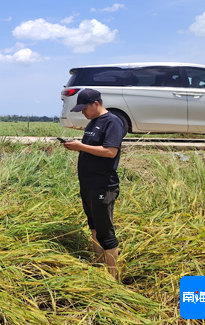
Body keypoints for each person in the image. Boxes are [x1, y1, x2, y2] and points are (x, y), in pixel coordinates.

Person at [62, 88, 124, 279]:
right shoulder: (93, 123)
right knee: (94, 227)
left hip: (103, 185)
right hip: (88, 183)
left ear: (96, 104)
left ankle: (112, 278)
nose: (82, 112)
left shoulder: (113, 122)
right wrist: (78, 147)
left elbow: (110, 151)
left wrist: (80, 146)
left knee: (106, 233)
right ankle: (98, 269)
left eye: (84, 108)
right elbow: (92, 149)